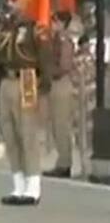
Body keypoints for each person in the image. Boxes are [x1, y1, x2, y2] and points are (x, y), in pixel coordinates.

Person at [0, 7, 52, 206]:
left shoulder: (36, 29)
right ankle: (18, 184)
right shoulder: (4, 27)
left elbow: (45, 58)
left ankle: (33, 186)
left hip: (27, 78)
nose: (11, 3)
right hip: (6, 80)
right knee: (10, 135)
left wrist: (42, 87)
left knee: (27, 133)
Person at [43, 11, 75, 178]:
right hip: (54, 84)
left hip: (61, 83)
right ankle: (62, 161)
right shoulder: (55, 40)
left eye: (55, 22)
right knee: (56, 125)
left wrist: (49, 72)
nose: (53, 24)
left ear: (62, 23)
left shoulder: (64, 41)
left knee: (61, 125)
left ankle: (65, 163)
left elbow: (64, 65)